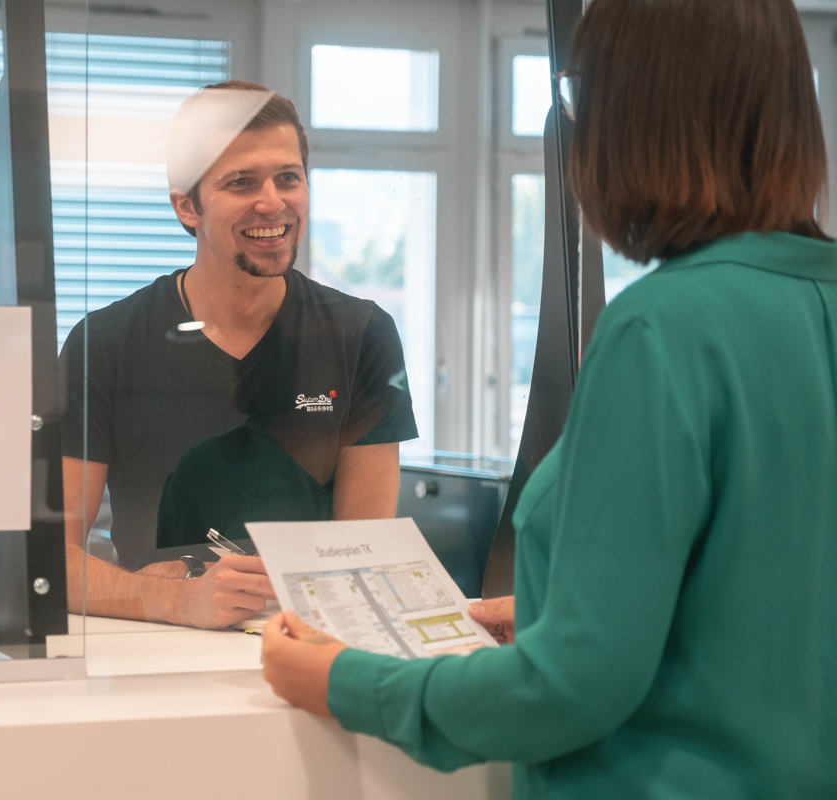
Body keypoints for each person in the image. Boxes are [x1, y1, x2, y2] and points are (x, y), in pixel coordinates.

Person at [260, 1, 837, 796]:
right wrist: (556, 608)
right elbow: (767, 601)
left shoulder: (661, 328)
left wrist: (345, 681)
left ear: (632, 113)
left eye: (578, 97)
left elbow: (569, 688)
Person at [60, 81, 418, 629]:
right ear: (187, 206)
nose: (272, 202)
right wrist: (177, 600)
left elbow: (364, 555)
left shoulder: (360, 334)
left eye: (288, 177)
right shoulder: (105, 342)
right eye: (241, 182)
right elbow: (48, 563)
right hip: (154, 648)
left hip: (308, 641)